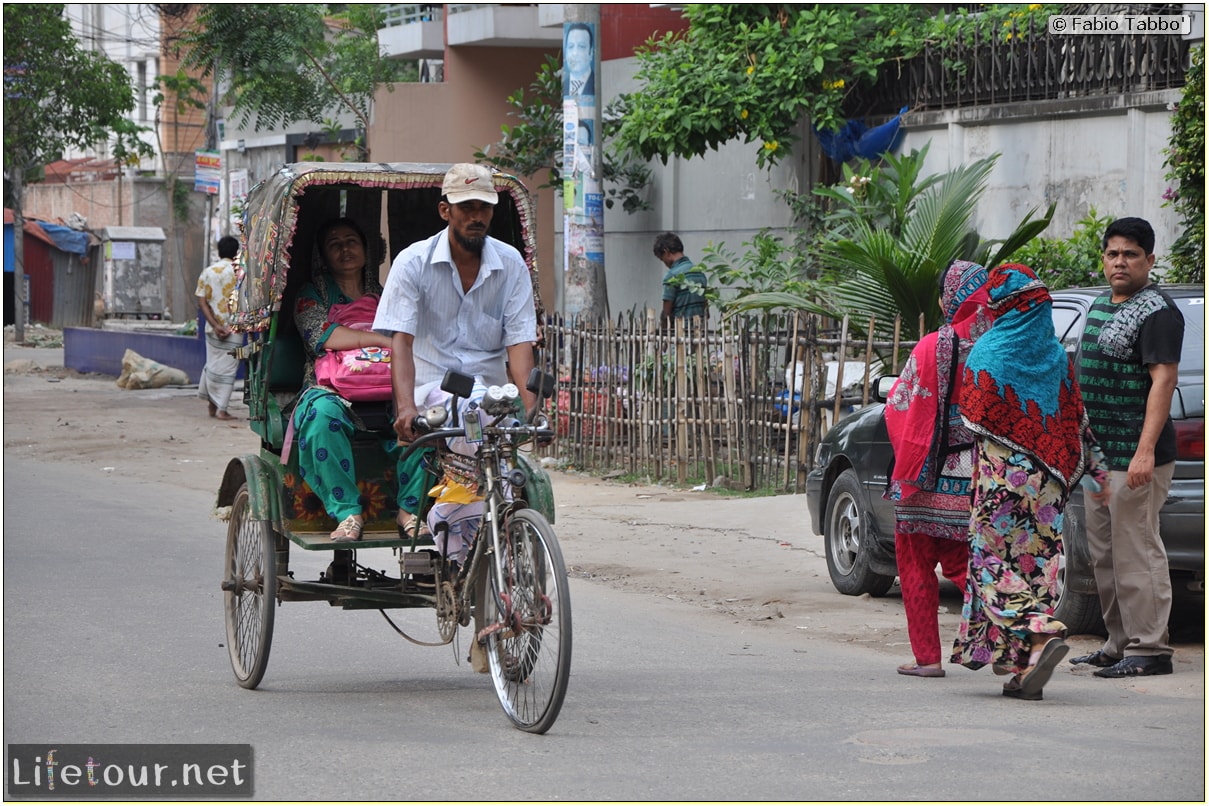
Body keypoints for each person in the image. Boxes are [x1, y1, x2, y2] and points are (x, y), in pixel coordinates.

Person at [951, 263, 1109, 701]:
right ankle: (1023, 673)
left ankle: (1038, 634)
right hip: (1049, 488)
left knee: (990, 562)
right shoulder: (1055, 356)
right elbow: (1076, 420)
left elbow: (973, 422)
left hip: (1002, 481)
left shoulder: (989, 352)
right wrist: (1098, 476)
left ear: (1005, 308)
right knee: (1032, 566)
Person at [373, 163, 538, 558]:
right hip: (434, 386)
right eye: (466, 208)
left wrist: (531, 409)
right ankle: (452, 524)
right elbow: (402, 342)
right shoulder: (413, 262)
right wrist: (406, 407)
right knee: (471, 407)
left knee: (496, 419)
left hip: (491, 390)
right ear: (446, 211)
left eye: (484, 207)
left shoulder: (510, 263)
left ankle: (502, 536)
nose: (476, 216)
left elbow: (519, 344)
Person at [1071, 217, 1184, 678]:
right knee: (1104, 552)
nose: (1120, 262)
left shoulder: (1157, 311)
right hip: (1099, 457)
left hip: (1136, 455)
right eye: (1113, 253)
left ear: (1150, 261)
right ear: (1104, 258)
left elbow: (1164, 381)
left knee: (1137, 549)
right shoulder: (1101, 303)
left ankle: (1151, 650)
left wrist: (1144, 451)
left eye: (1131, 254)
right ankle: (1119, 643)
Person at [884, 260, 992, 678]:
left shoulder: (931, 346)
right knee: (968, 565)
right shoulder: (1001, 345)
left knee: (913, 562)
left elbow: (899, 407)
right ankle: (1023, 640)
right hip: (983, 476)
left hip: (923, 478)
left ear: (952, 298)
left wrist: (914, 456)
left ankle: (927, 657)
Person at [292, 217, 429, 542]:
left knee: (428, 417)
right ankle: (348, 513)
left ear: (367, 250)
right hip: (330, 390)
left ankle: (410, 509)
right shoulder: (310, 295)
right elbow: (325, 335)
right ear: (322, 255)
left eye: (351, 240)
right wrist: (382, 340)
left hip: (391, 387)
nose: (344, 249)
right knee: (321, 417)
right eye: (334, 243)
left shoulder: (387, 295)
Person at [196, 235, 242, 420]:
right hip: (235, 329)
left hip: (212, 329)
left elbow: (202, 303)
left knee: (213, 365)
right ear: (236, 252)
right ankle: (222, 409)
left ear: (219, 251)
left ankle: (212, 407)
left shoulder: (208, 272)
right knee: (228, 369)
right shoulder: (240, 273)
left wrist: (215, 325)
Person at [653, 232, 707, 325]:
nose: (665, 263)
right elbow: (707, 312)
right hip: (700, 335)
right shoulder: (700, 272)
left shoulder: (672, 276)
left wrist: (662, 333)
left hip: (680, 335)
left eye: (662, 259)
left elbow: (666, 315)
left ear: (666, 252)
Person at [563, 22, 595, 97]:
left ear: (591, 53)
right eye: (571, 46)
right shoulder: (562, 86)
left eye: (581, 46)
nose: (575, 53)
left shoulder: (597, 84)